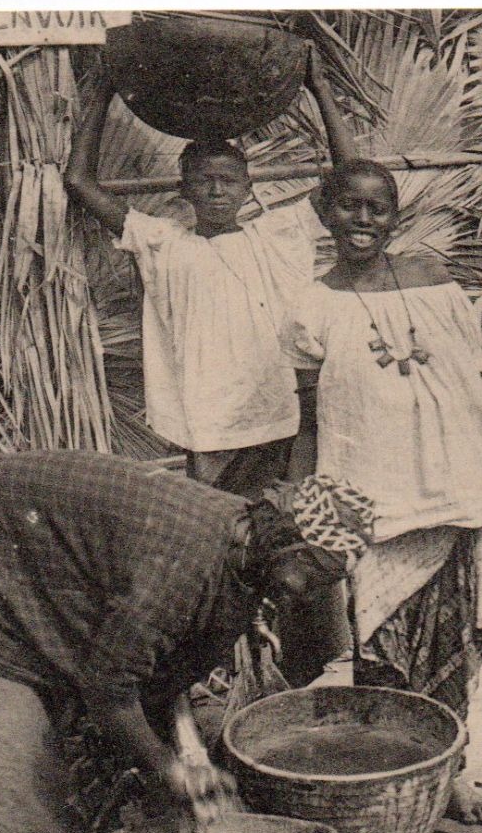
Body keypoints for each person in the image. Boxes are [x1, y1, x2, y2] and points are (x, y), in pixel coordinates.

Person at [0, 451, 374, 833]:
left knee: (96, 737)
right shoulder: (183, 566)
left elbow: (165, 668)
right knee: (10, 745)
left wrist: (188, 751)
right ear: (286, 541)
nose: (308, 592)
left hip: (55, 556)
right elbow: (111, 688)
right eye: (313, 573)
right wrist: (166, 767)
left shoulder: (246, 555)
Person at [286, 159, 482, 822]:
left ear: (395, 216)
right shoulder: (311, 305)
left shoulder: (434, 281)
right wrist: (310, 506)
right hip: (373, 506)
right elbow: (310, 418)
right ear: (325, 211)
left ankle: (450, 774)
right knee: (381, 647)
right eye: (349, 206)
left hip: (452, 494)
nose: (363, 220)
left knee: (452, 649)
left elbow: (477, 394)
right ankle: (396, 777)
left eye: (377, 208)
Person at [65, 46, 358, 498]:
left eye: (228, 180)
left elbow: (351, 177)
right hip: (208, 423)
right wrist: (103, 91)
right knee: (217, 529)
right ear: (184, 189)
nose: (217, 190)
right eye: (204, 180)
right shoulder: (163, 243)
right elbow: (80, 183)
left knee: (284, 523)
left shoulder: (279, 233)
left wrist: (319, 88)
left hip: (281, 413)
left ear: (248, 187)